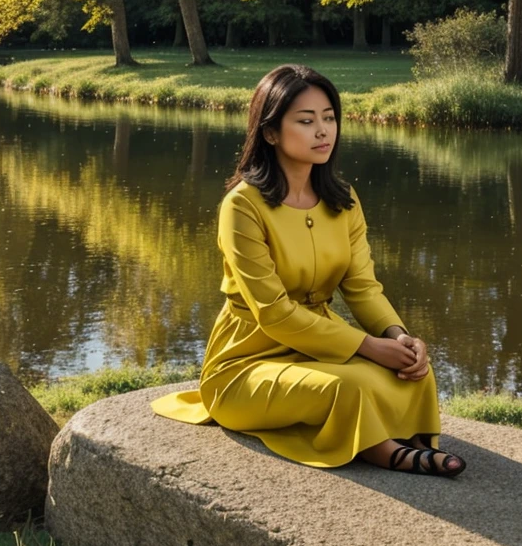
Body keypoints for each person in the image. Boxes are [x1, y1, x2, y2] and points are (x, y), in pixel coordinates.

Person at [152, 63, 466, 476]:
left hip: (322, 348)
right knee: (347, 386)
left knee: (414, 372)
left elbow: (364, 289)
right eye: (306, 120)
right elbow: (274, 313)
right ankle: (383, 450)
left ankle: (408, 436)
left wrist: (399, 337)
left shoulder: (343, 200)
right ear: (270, 133)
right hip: (246, 362)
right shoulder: (242, 206)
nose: (323, 131)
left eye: (329, 118)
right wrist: (368, 347)